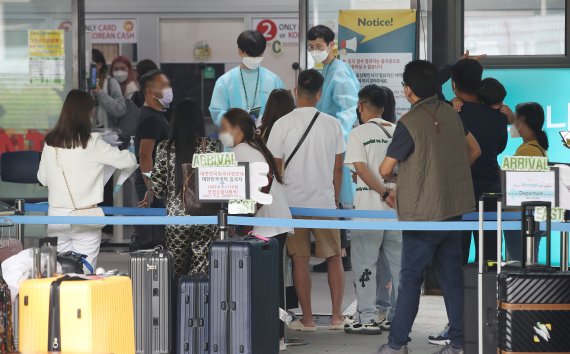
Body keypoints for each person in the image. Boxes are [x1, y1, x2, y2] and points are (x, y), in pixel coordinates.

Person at [375, 60, 480, 354]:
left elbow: (385, 170)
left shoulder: (408, 123)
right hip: (453, 210)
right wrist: (444, 176)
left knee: (410, 279)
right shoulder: (451, 113)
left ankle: (397, 344)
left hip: (423, 215)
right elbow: (474, 150)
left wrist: (414, 180)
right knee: (452, 277)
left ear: (407, 90)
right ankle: (459, 342)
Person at [267, 69, 349, 331]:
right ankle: (337, 317)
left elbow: (275, 168)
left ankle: (309, 320)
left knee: (300, 259)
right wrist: (334, 199)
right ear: (319, 94)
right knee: (334, 257)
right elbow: (338, 168)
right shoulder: (332, 124)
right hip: (324, 203)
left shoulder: (281, 125)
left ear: (295, 92)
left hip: (291, 204)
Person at [37, 90, 137, 268]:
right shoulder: (93, 142)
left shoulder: (50, 142)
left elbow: (43, 179)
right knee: (84, 271)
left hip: (56, 217)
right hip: (86, 215)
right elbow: (129, 161)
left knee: (59, 270)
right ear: (88, 114)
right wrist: (104, 168)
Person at [220, 108, 293, 350]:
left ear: (237, 129)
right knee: (275, 284)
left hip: (262, 226)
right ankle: (278, 335)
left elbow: (234, 193)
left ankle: (269, 333)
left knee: (261, 284)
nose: (222, 133)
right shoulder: (256, 148)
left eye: (225, 128)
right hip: (276, 223)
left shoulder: (239, 152)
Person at [343, 84, 401, 335]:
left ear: (361, 106)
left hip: (368, 208)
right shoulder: (399, 131)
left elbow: (361, 168)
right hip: (398, 209)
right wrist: (391, 190)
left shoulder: (359, 133)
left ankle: (366, 316)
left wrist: (382, 191)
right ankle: (396, 316)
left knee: (365, 262)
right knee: (398, 267)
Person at [307, 24, 360, 272]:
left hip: (338, 144)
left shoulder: (338, 72)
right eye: (311, 48)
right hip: (329, 142)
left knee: (340, 199)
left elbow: (347, 112)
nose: (315, 51)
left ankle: (341, 253)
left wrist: (334, 139)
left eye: (318, 47)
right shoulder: (327, 69)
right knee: (334, 198)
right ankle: (337, 252)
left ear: (331, 45)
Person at [151, 98, 219, 276]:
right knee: (201, 273)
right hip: (206, 216)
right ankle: (197, 303)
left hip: (176, 218)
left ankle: (176, 303)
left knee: (176, 272)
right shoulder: (211, 146)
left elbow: (158, 190)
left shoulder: (164, 148)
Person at [452, 59, 508, 265]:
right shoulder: (500, 116)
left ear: (453, 85)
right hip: (490, 188)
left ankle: (459, 296)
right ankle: (491, 295)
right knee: (491, 256)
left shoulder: (452, 113)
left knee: (456, 253)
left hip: (460, 190)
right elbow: (499, 147)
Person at [209, 30, 284, 126]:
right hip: (236, 138)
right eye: (250, 55)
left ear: (263, 51)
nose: (254, 58)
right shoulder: (225, 81)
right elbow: (217, 112)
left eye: (258, 55)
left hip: (267, 137)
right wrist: (239, 124)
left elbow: (283, 109)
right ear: (240, 52)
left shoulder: (274, 80)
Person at [504, 102, 549, 261]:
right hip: (532, 216)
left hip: (520, 218)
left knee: (517, 267)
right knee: (528, 263)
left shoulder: (527, 150)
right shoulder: (538, 147)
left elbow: (514, 184)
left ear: (521, 120)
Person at [136, 70, 172, 205]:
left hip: (157, 182)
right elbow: (145, 154)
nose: (168, 90)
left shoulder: (155, 115)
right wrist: (151, 188)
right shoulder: (151, 118)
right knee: (153, 225)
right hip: (152, 184)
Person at [91, 49, 126, 129]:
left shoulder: (111, 83)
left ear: (99, 65)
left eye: (91, 65)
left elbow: (120, 109)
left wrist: (100, 93)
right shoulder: (80, 83)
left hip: (106, 131)